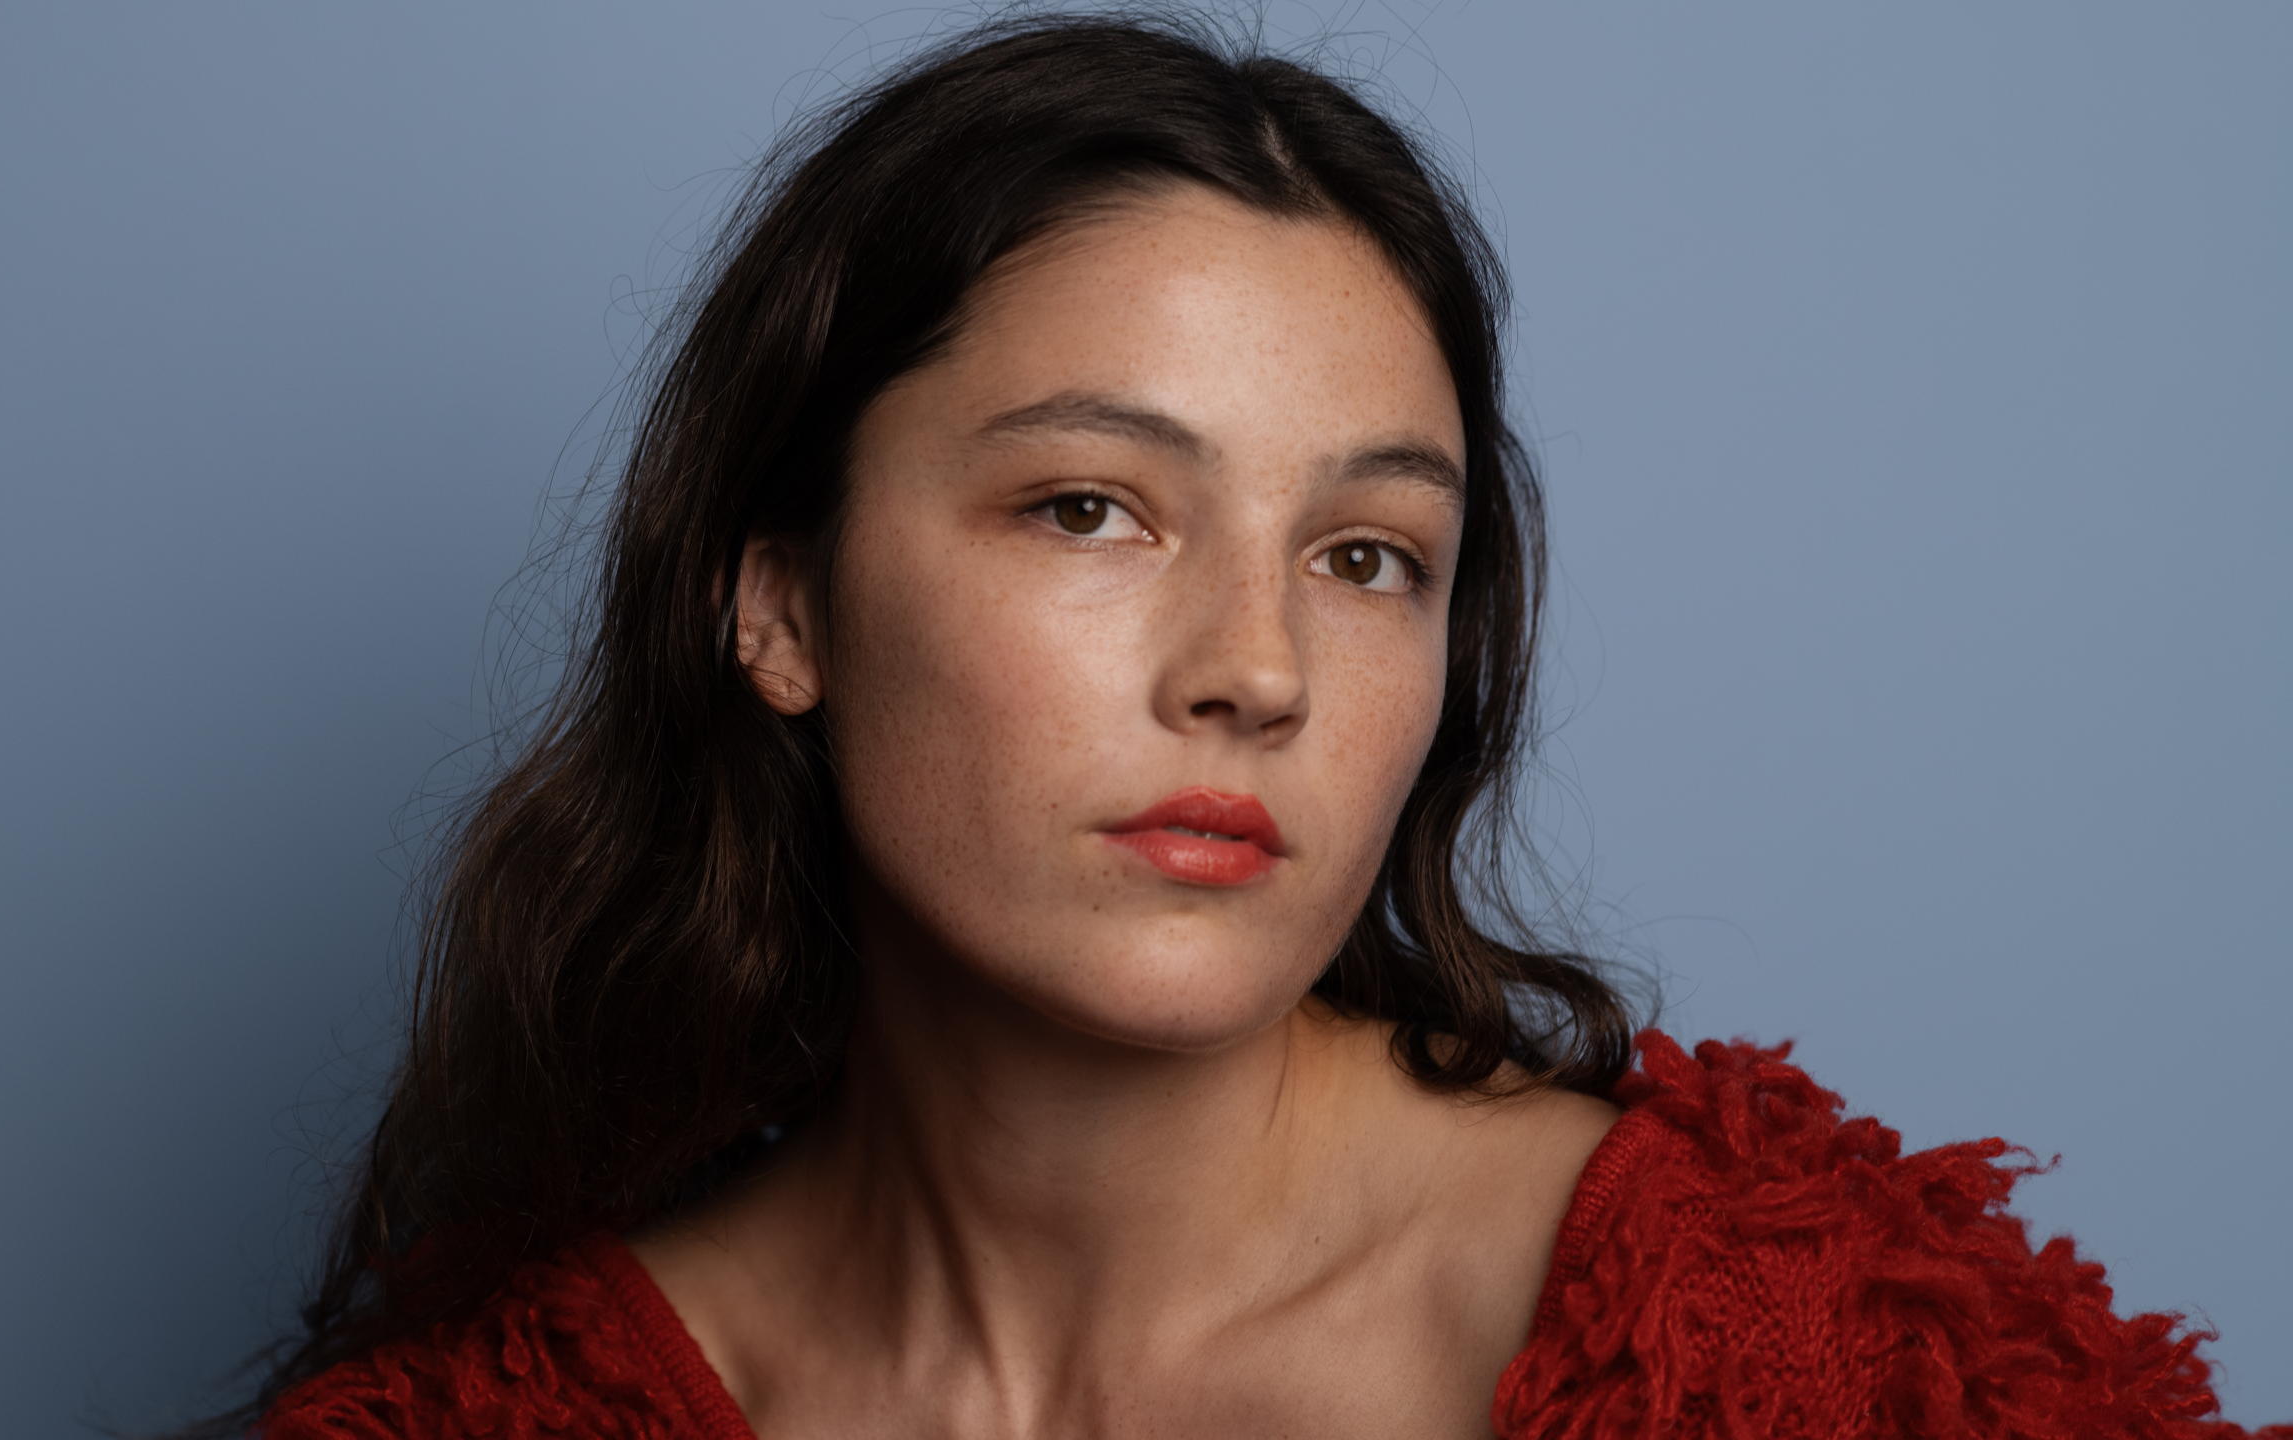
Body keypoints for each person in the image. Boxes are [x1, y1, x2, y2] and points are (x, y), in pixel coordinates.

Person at [173, 10, 2285, 1439]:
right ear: (781, 602)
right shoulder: (492, 1415)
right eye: (1090, 509)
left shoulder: (1791, 1350)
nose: (1254, 668)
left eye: (1366, 555)